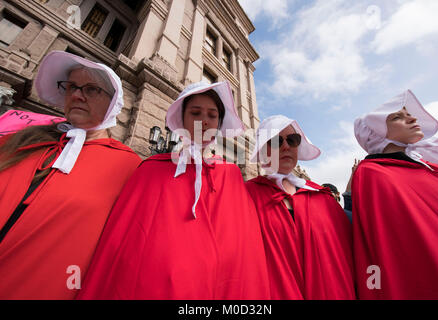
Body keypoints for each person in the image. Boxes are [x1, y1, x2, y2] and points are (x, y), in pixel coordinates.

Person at [77, 81, 270, 300]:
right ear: (183, 119)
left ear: (218, 124)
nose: (204, 121)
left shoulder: (232, 175)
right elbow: (121, 243)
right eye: (195, 112)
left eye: (212, 115)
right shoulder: (150, 169)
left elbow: (243, 249)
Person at [0, 51, 141, 299]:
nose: (76, 94)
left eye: (91, 89)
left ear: (112, 103)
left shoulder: (129, 167)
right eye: (72, 86)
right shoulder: (23, 140)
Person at [353, 89, 438, 299]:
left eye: (409, 114)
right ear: (376, 131)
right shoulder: (374, 173)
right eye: (398, 117)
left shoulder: (432, 169)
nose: (413, 118)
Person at [245, 115, 356, 300]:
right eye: (275, 141)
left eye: (292, 140)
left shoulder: (322, 196)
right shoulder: (246, 195)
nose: (286, 146)